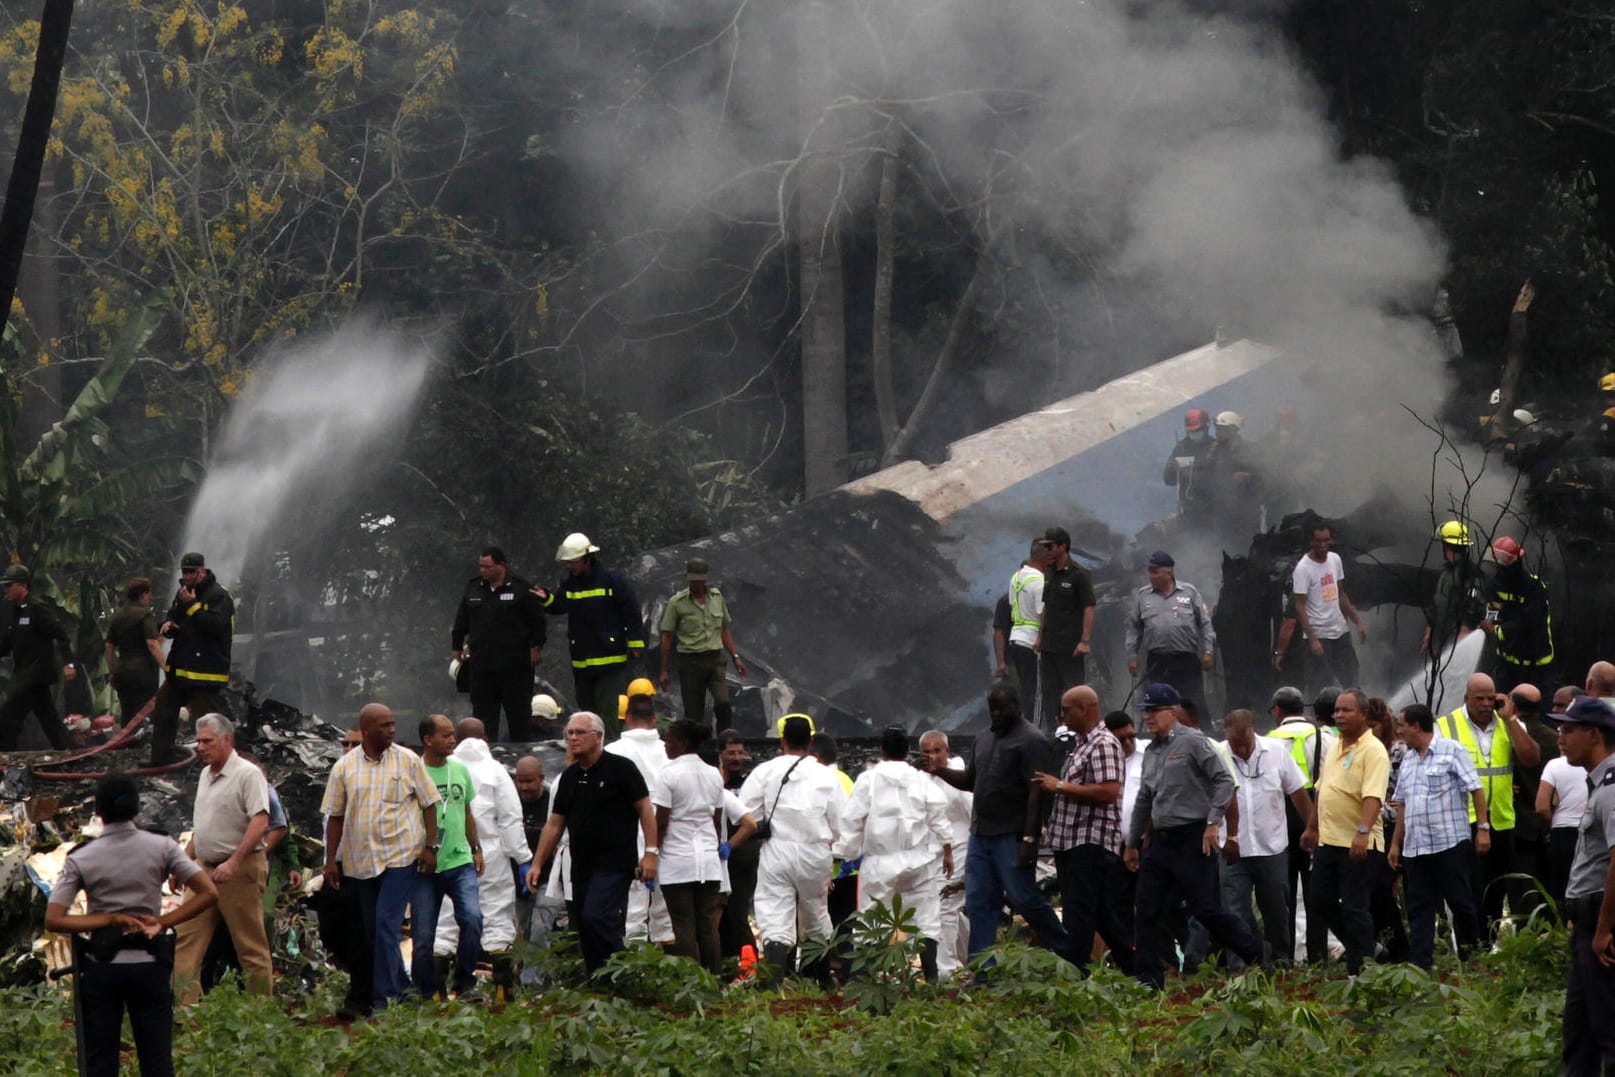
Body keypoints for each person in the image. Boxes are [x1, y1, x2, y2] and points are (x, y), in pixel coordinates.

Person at [47, 772, 218, 1077]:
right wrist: (163, 921)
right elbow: (208, 892)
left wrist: (109, 919)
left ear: (98, 812)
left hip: (102, 969)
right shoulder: (163, 847)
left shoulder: (82, 858)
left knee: (101, 1063)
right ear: (137, 809)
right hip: (150, 965)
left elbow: (54, 918)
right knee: (158, 1062)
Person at [1125, 683, 1262, 988]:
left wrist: (1214, 823)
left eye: (1155, 711)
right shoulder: (1150, 751)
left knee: (1205, 909)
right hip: (1162, 840)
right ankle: (1148, 980)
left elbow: (1225, 782)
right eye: (1146, 711)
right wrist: (1132, 843)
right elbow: (1144, 800)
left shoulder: (1194, 742)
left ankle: (1253, 951)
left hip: (1193, 837)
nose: (1149, 717)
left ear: (1172, 712)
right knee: (1146, 908)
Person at [922, 685, 1071, 964]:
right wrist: (939, 770)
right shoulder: (984, 739)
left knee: (1024, 898)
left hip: (1012, 836)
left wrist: (1030, 839)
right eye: (992, 709)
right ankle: (983, 970)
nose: (996, 714)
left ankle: (1070, 952)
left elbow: (1037, 793)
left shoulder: (1032, 740)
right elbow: (970, 781)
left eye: (1002, 708)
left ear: (1016, 706)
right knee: (980, 902)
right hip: (981, 835)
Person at [320, 703, 441, 1016]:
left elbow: (430, 804)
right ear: (366, 729)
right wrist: (330, 860)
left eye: (392, 724)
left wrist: (431, 845)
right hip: (361, 862)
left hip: (400, 856)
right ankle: (404, 988)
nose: (392, 730)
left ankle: (384, 1001)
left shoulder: (407, 760)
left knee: (387, 924)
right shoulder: (344, 768)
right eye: (384, 726)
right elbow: (335, 816)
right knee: (374, 930)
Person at [526, 711, 658, 972]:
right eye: (569, 733)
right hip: (581, 864)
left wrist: (651, 853)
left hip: (615, 863)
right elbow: (554, 824)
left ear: (598, 737)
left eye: (579, 733)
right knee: (585, 925)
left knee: (597, 917)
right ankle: (599, 979)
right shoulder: (569, 777)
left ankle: (620, 972)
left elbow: (646, 810)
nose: (573, 738)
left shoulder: (621, 769)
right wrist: (538, 863)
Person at [168, 714, 273, 1004]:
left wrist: (234, 862)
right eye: (198, 741)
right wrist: (185, 863)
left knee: (249, 946)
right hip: (204, 872)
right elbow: (204, 827)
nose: (200, 747)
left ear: (227, 740)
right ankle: (185, 1011)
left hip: (239, 871)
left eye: (207, 741)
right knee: (185, 939)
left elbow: (260, 821)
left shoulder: (247, 774)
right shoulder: (205, 774)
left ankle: (259, 1015)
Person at [836, 726, 953, 981]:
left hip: (880, 862)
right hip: (918, 861)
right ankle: (931, 979)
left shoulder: (868, 779)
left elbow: (853, 819)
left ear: (881, 751)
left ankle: (866, 981)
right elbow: (938, 816)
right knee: (926, 919)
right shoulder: (920, 779)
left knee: (870, 920)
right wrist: (947, 850)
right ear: (908, 751)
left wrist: (846, 852)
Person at [736, 715, 845, 982]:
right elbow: (842, 823)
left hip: (777, 851)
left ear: (782, 741)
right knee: (817, 912)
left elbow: (743, 812)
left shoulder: (765, 771)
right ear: (810, 742)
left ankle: (774, 980)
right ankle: (823, 980)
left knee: (774, 910)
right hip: (815, 854)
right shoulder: (826, 775)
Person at [1033, 685, 1133, 974]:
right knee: (1099, 914)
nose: (1062, 716)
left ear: (1084, 709)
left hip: (1090, 842)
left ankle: (1076, 975)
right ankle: (1139, 972)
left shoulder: (1103, 743)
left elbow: (1108, 791)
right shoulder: (1082, 743)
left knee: (1079, 914)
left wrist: (1060, 785)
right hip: (1071, 842)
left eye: (1066, 710)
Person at [1437, 672, 1542, 932]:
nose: (1485, 704)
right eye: (1478, 699)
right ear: (1466, 699)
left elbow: (1531, 759)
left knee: (1497, 889)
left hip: (1502, 819)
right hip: (1464, 820)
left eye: (1489, 698)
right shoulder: (1446, 725)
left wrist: (1511, 720)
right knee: (1468, 888)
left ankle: (1488, 943)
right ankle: (1470, 946)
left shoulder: (1508, 723)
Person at [434, 717, 528, 999]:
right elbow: (511, 820)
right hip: (491, 855)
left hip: (449, 851)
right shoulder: (496, 771)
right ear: (485, 738)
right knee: (497, 914)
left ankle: (438, 990)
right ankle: (502, 989)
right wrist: (522, 857)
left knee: (447, 917)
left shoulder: (445, 769)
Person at [1388, 703, 1487, 969]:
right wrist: (1396, 843)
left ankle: (1471, 959)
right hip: (1416, 849)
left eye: (1402, 725)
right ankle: (1420, 965)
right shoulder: (1408, 760)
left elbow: (1476, 789)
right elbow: (1403, 805)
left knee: (1460, 902)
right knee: (1419, 908)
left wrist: (1483, 829)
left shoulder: (1452, 751)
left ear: (1417, 726)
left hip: (1449, 843)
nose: (1399, 730)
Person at [1300, 689, 1388, 977]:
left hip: (1358, 842)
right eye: (1337, 710)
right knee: (1320, 902)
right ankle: (1366, 947)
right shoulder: (1336, 745)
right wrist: (1312, 828)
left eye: (1346, 710)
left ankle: (1360, 973)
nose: (1339, 715)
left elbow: (1373, 797)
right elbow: (1322, 789)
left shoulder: (1373, 750)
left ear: (1363, 714)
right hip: (1328, 840)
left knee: (1354, 907)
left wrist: (1362, 832)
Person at [1551, 694, 1615, 1073]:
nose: (1561, 737)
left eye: (1568, 730)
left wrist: (1604, 929)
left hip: (1602, 928)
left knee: (1608, 1029)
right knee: (1580, 1034)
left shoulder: (1610, 788)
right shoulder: (1598, 784)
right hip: (1589, 923)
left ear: (1593, 735)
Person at [1221, 708, 1312, 968]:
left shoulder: (1277, 752)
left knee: (1276, 910)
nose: (1241, 749)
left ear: (1253, 731)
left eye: (1245, 743)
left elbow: (1298, 793)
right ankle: (1239, 967)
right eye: (1235, 744)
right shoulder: (1218, 756)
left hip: (1271, 847)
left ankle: (1280, 962)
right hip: (1232, 849)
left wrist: (1312, 828)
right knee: (1233, 910)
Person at [534, 534, 645, 743]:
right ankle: (588, 752)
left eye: (574, 562)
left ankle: (609, 751)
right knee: (587, 715)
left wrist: (635, 643)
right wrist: (546, 599)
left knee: (607, 715)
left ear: (587, 558)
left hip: (609, 660)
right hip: (582, 661)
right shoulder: (570, 585)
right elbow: (559, 606)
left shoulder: (613, 581)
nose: (570, 567)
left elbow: (632, 611)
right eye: (568, 563)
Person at [653, 720, 737, 975]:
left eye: (670, 740)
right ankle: (714, 979)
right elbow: (716, 818)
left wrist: (652, 853)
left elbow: (662, 820)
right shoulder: (713, 773)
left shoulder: (669, 774)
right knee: (707, 925)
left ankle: (690, 982)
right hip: (709, 863)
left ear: (684, 743)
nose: (666, 744)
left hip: (677, 860)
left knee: (683, 924)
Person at [1266, 685, 1335, 963]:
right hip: (1314, 815)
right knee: (1314, 889)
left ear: (1277, 711)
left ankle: (1286, 954)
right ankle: (1318, 954)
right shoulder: (1321, 737)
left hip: (1281, 819)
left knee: (1283, 892)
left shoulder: (1268, 740)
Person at [451, 546, 547, 742]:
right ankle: (486, 756)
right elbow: (462, 618)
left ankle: (522, 760)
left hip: (515, 667)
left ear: (501, 565)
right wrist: (457, 645)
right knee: (483, 719)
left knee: (519, 716)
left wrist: (537, 646)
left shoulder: (521, 588)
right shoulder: (473, 587)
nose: (483, 571)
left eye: (487, 567)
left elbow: (537, 621)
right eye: (481, 567)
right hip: (482, 666)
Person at [150, 552, 233, 767]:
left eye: (191, 572)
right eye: (184, 572)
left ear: (202, 571)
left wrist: (193, 605)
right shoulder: (183, 594)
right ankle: (160, 759)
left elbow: (214, 626)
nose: (186, 577)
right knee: (163, 709)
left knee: (205, 722)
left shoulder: (219, 596)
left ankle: (211, 766)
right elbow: (174, 617)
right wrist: (167, 625)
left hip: (205, 673)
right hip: (180, 670)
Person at [607, 692, 674, 947]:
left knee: (633, 901)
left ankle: (633, 964)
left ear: (626, 718)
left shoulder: (612, 752)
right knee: (664, 902)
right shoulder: (670, 751)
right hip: (666, 829)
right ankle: (667, 964)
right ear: (655, 719)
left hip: (626, 829)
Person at [1273, 523, 1368, 696]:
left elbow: (1341, 594)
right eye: (1318, 541)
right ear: (1311, 541)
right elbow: (1298, 608)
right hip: (1318, 637)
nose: (1322, 544)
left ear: (1331, 540)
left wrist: (1358, 621)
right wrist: (1312, 639)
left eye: (1326, 540)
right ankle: (1321, 720)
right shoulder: (1303, 569)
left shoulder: (1335, 560)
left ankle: (1356, 718)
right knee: (1320, 689)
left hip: (1340, 633)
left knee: (1352, 683)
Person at [1125, 551, 1216, 720]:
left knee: (1193, 703)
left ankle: (1204, 738)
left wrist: (1209, 651)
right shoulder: (1143, 596)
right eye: (1150, 571)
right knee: (1160, 705)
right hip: (1157, 661)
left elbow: (1205, 623)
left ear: (1168, 572)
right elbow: (1134, 629)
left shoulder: (1189, 592)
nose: (1150, 576)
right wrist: (1132, 657)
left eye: (1155, 572)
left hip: (1186, 659)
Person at [658, 558, 747, 730]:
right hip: (690, 662)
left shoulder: (716, 597)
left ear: (706, 579)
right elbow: (667, 636)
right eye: (693, 581)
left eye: (700, 581)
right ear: (688, 579)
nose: (697, 585)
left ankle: (724, 744)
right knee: (693, 715)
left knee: (723, 704)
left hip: (714, 660)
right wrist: (663, 670)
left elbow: (724, 629)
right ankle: (697, 751)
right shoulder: (677, 602)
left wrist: (735, 657)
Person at [0, 563, 75, 750]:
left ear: (23, 585)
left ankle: (5, 756)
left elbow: (61, 633)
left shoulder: (37, 608)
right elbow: (8, 644)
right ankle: (67, 751)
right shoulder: (14, 612)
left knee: (8, 714)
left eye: (10, 585)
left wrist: (69, 664)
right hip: (26, 675)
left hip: (35, 675)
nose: (5, 589)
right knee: (48, 717)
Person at [918, 730, 973, 978]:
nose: (932, 756)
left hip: (959, 848)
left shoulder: (960, 776)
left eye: (937, 750)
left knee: (946, 907)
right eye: (927, 752)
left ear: (947, 752)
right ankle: (975, 956)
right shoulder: (918, 779)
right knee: (943, 907)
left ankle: (945, 971)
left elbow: (974, 815)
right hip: (928, 854)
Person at [1037, 527, 1096, 732]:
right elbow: (1045, 606)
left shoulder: (1079, 575)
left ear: (1063, 546)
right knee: (1049, 691)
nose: (1047, 551)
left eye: (1051, 546)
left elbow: (1089, 607)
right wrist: (1039, 636)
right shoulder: (1049, 572)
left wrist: (1084, 640)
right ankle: (1052, 731)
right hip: (1049, 644)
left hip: (1070, 646)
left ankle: (1079, 730)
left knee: (1074, 692)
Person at [1482, 536, 1555, 693]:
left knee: (1535, 711)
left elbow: (1530, 622)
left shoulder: (1534, 587)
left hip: (1536, 665)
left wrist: (1498, 631)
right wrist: (1488, 622)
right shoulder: (1494, 585)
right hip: (1506, 664)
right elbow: (1492, 611)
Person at [715, 729, 762, 961]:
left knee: (737, 913)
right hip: (717, 858)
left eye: (740, 753)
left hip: (744, 856)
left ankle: (750, 965)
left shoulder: (751, 781)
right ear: (720, 754)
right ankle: (726, 962)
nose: (736, 758)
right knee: (718, 915)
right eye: (731, 753)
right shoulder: (713, 780)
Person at [1539, 723, 1589, 910]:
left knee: (1561, 889)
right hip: (1591, 831)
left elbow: (1541, 806)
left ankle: (1564, 931)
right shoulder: (1597, 763)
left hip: (1563, 832)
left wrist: (1554, 821)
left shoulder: (1554, 765)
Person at [1422, 521, 1485, 662]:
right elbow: (1438, 601)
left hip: (1457, 640)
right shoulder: (1447, 572)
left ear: (1448, 546)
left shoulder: (1471, 574)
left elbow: (1475, 607)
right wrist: (1429, 629)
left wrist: (1464, 633)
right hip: (1440, 638)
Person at [104, 577, 164, 722]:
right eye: (149, 594)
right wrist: (167, 668)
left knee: (127, 713)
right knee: (142, 714)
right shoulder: (145, 615)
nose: (151, 597)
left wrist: (114, 672)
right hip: (143, 673)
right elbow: (152, 644)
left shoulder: (117, 616)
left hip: (122, 672)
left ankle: (125, 743)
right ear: (143, 595)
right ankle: (139, 744)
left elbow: (109, 647)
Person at [1005, 539, 1052, 722]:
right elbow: (1043, 612)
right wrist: (1040, 637)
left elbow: (1011, 604)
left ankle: (1022, 722)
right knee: (1035, 690)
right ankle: (1031, 726)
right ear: (1043, 558)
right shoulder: (1039, 581)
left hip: (1016, 638)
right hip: (1032, 642)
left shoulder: (1016, 577)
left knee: (1025, 687)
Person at [1163, 407, 1216, 517]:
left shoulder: (1215, 447)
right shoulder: (1181, 448)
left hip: (1213, 508)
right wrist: (1173, 468)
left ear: (1206, 427)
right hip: (1188, 509)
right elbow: (1169, 480)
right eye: (1191, 431)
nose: (1194, 434)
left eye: (1197, 430)